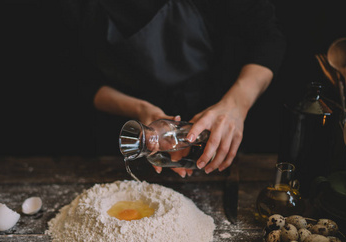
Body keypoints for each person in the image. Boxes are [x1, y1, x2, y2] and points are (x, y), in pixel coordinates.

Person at [78, 0, 286, 177]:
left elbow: (268, 38)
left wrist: (236, 104)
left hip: (217, 125)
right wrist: (141, 110)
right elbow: (78, 81)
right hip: (125, 140)